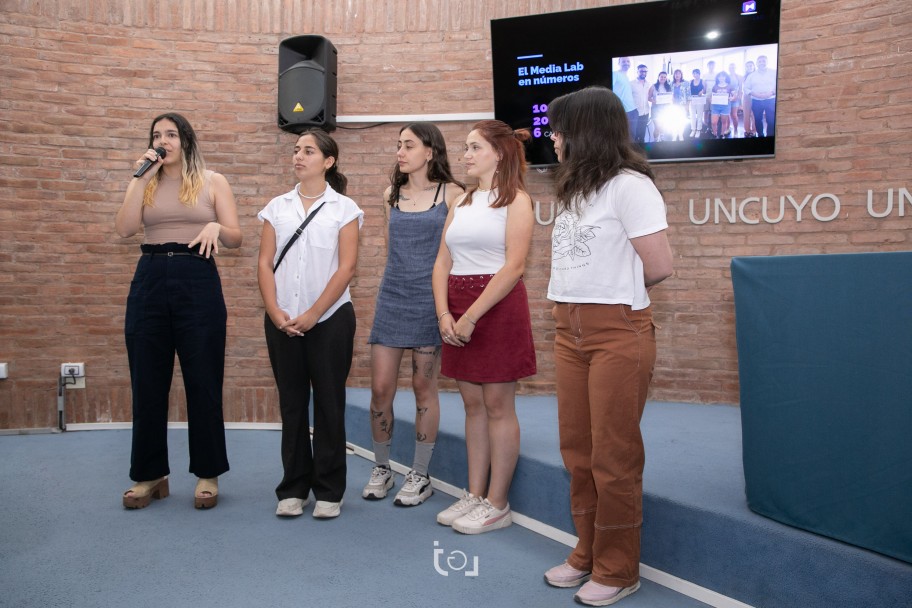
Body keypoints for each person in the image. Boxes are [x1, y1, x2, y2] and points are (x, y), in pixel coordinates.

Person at [544, 86, 673, 606]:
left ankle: (618, 568)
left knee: (613, 456)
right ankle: (588, 550)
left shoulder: (630, 187)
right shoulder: (574, 187)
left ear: (585, 132)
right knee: (577, 451)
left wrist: (613, 298)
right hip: (567, 330)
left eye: (559, 129)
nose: (552, 137)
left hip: (617, 331)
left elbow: (659, 266)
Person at [116, 112, 242, 510]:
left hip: (197, 277)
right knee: (147, 381)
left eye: (171, 134)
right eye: (157, 135)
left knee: (203, 379)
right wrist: (139, 178)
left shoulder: (212, 181)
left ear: (185, 140)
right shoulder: (144, 182)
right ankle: (149, 475)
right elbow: (123, 229)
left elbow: (237, 236)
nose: (163, 140)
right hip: (150, 278)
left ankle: (207, 472)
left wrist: (216, 229)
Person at [431, 120, 536, 534]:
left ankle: (497, 502)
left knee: (497, 406)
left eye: (474, 147)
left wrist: (472, 315)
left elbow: (514, 266)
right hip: (456, 307)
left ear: (499, 152)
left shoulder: (518, 201)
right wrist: (445, 313)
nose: (466, 155)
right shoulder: (461, 202)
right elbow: (442, 262)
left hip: (495, 307)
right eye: (466, 148)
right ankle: (474, 494)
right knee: (472, 405)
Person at [257, 129, 364, 519]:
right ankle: (293, 488)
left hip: (331, 320)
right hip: (282, 319)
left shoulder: (344, 209)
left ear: (328, 161)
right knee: (292, 405)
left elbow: (347, 267)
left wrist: (313, 314)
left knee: (330, 405)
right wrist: (274, 311)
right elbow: (265, 262)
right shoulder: (277, 207)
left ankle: (330, 490)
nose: (298, 156)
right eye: (296, 150)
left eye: (308, 151)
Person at [363, 123, 465, 506]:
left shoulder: (453, 194)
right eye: (398, 145)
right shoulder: (391, 194)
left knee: (424, 389)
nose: (400, 152)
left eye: (408, 145)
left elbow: (454, 253)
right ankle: (383, 468)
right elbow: (391, 250)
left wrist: (447, 307)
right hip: (393, 299)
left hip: (430, 302)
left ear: (430, 151)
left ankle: (420, 474)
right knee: (380, 390)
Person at [744, 55, 776, 137]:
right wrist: (756, 94)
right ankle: (760, 135)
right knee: (758, 120)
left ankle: (770, 136)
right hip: (756, 101)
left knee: (771, 120)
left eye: (764, 61)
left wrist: (771, 93)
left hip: (770, 100)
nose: (762, 63)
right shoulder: (751, 75)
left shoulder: (774, 72)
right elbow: (746, 88)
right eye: (760, 61)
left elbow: (778, 85)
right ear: (757, 63)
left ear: (767, 62)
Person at [612, 57, 638, 141]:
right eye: (623, 61)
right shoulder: (615, 74)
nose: (626, 63)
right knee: (624, 137)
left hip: (633, 110)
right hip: (623, 111)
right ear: (619, 63)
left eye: (628, 61)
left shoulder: (627, 76)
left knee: (632, 136)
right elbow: (608, 90)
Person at [647, 71, 672, 142]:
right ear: (658, 77)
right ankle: (655, 140)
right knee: (657, 127)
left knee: (663, 125)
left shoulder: (668, 86)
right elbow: (648, 98)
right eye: (661, 77)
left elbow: (670, 97)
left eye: (664, 77)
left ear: (666, 78)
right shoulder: (653, 86)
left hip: (665, 109)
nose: (663, 78)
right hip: (655, 109)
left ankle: (662, 137)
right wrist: (653, 101)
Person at [710, 71, 734, 138]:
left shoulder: (729, 86)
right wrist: (711, 99)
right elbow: (712, 96)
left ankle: (722, 134)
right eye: (719, 76)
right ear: (717, 78)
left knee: (724, 122)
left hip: (725, 106)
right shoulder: (715, 86)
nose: (721, 78)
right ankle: (715, 134)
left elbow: (734, 95)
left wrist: (732, 98)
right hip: (715, 106)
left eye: (723, 76)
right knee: (714, 122)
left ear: (726, 77)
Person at [630, 64, 651, 143]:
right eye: (641, 71)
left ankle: (642, 151)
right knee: (634, 135)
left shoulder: (648, 84)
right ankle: (634, 152)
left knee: (642, 134)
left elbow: (650, 97)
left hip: (646, 112)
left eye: (645, 71)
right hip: (635, 112)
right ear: (637, 71)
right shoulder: (631, 84)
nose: (644, 73)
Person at [688, 68, 706, 138]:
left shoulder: (703, 81)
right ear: (692, 74)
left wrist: (702, 92)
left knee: (699, 116)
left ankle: (698, 130)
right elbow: (688, 91)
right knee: (692, 115)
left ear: (699, 74)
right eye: (694, 73)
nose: (695, 75)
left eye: (697, 73)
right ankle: (693, 129)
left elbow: (705, 91)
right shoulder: (690, 81)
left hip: (700, 100)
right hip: (692, 100)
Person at [742, 60, 757, 137]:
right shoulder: (744, 76)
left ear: (754, 66)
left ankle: (754, 130)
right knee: (746, 114)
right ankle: (747, 130)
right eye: (747, 66)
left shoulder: (757, 75)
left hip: (755, 97)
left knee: (754, 115)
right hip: (746, 97)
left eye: (751, 65)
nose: (749, 67)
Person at [728, 63, 743, 137]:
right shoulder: (726, 76)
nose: (732, 69)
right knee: (727, 114)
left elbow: (740, 88)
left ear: (735, 68)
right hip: (727, 98)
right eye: (730, 67)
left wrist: (738, 97)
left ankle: (736, 130)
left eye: (733, 67)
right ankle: (727, 128)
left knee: (734, 115)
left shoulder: (739, 77)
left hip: (735, 97)